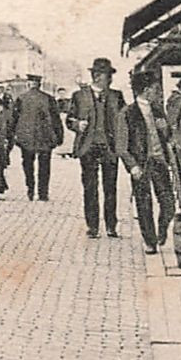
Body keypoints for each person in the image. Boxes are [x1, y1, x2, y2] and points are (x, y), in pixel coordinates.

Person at [67, 57, 128, 240]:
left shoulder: (116, 96)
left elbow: (125, 120)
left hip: (109, 147)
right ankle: (92, 226)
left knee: (111, 188)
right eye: (107, 76)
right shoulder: (79, 96)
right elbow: (69, 119)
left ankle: (111, 226)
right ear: (97, 76)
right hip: (88, 147)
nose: (110, 79)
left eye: (110, 76)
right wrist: (77, 124)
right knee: (90, 188)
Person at [121, 68, 178, 255]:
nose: (158, 92)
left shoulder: (157, 109)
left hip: (159, 162)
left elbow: (168, 135)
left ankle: (161, 231)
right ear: (146, 90)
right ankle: (150, 241)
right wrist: (132, 166)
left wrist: (165, 129)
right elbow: (121, 146)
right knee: (144, 204)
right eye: (155, 88)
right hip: (141, 164)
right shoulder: (128, 113)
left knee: (168, 202)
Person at [8, 73, 63, 201]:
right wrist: (59, 136)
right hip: (45, 137)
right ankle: (43, 193)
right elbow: (56, 119)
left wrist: (11, 135)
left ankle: (30, 190)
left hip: (26, 138)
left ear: (29, 84)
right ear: (40, 84)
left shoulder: (21, 98)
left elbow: (13, 119)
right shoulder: (49, 99)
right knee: (45, 166)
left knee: (28, 164)